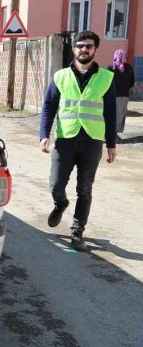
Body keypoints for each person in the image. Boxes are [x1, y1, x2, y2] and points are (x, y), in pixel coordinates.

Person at [39, 31, 117, 252]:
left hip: (92, 141)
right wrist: (44, 134)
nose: (84, 49)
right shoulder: (60, 76)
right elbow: (49, 106)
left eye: (89, 46)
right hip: (65, 138)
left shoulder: (106, 77)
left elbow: (110, 112)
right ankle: (60, 204)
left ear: (95, 50)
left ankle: (77, 232)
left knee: (84, 189)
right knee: (56, 185)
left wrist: (111, 144)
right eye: (80, 45)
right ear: (74, 48)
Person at [108, 49, 136, 135]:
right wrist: (125, 88)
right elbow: (132, 81)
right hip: (124, 95)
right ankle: (116, 132)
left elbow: (106, 82)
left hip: (112, 95)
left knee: (111, 113)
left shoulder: (110, 67)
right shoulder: (129, 67)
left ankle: (111, 133)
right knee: (121, 114)